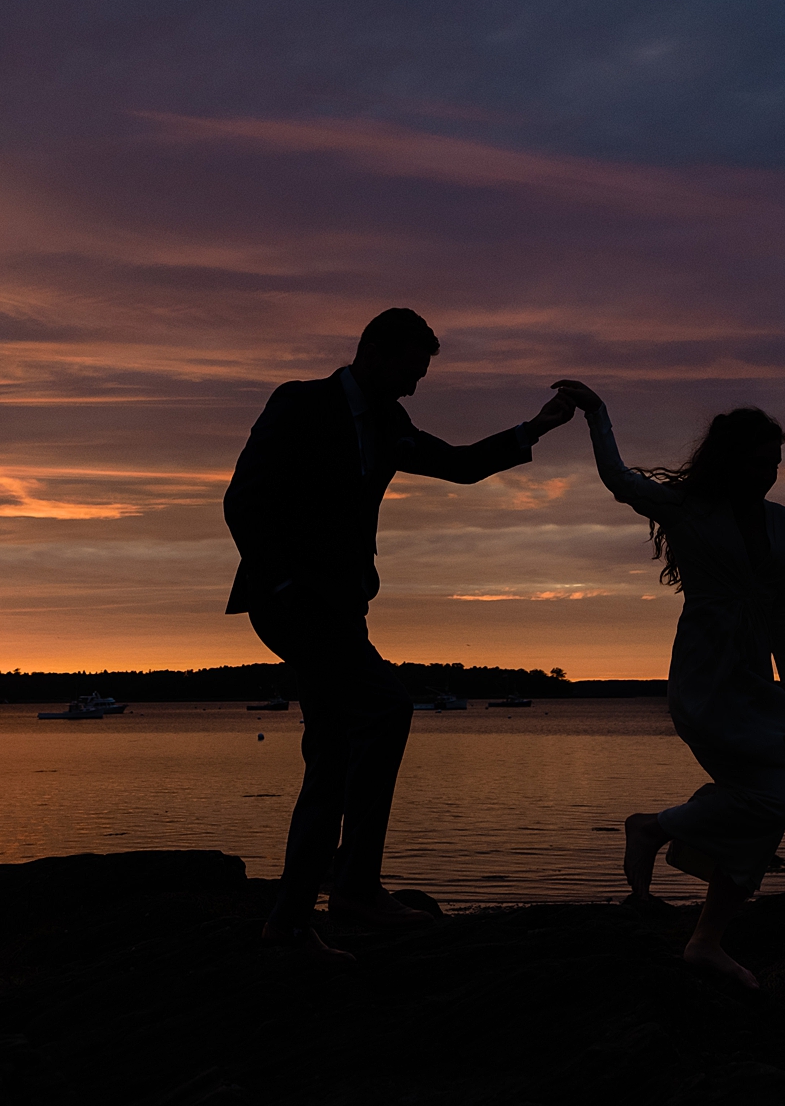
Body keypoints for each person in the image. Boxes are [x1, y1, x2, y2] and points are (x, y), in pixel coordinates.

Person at [226, 308, 576, 960]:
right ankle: (354, 888)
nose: (417, 385)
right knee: (385, 709)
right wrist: (280, 585)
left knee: (330, 756)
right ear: (378, 352)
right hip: (292, 604)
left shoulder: (388, 424)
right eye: (413, 370)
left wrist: (540, 426)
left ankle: (289, 923)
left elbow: (462, 465)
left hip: (341, 609)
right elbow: (242, 499)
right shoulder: (301, 403)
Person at [554, 380, 785, 989]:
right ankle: (656, 828)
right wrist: (597, 411)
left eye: (776, 463)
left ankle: (706, 939)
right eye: (759, 461)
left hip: (756, 680)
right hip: (705, 675)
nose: (769, 474)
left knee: (766, 811)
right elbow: (618, 480)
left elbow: (782, 602)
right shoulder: (687, 507)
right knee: (769, 801)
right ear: (731, 459)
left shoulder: (781, 521)